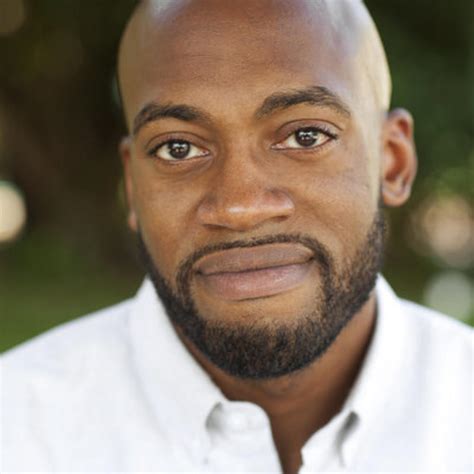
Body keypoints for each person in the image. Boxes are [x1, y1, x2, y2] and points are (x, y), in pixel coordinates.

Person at [1, 0, 472, 472]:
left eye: (305, 136)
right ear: (132, 185)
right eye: (177, 148)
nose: (239, 208)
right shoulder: (17, 429)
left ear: (392, 161)